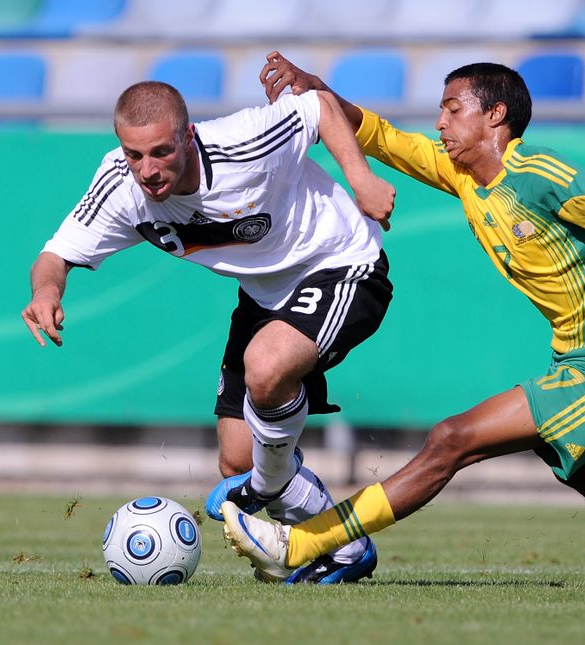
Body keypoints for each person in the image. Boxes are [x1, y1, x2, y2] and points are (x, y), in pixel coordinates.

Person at [221, 51, 585, 587]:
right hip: (579, 357)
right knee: (583, 468)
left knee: (452, 438)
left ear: (495, 115)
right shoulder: (466, 175)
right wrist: (316, 92)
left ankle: (300, 543)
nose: (440, 123)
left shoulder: (534, 170)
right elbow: (380, 136)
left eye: (452, 109)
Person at [21, 79, 397, 584]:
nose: (148, 170)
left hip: (342, 264)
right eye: (134, 154)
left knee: (264, 370)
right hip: (264, 295)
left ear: (188, 136)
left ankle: (269, 483)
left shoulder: (243, 143)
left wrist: (361, 178)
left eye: (161, 151)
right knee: (237, 462)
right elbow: (56, 254)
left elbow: (320, 106)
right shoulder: (120, 186)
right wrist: (47, 292)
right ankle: (346, 549)